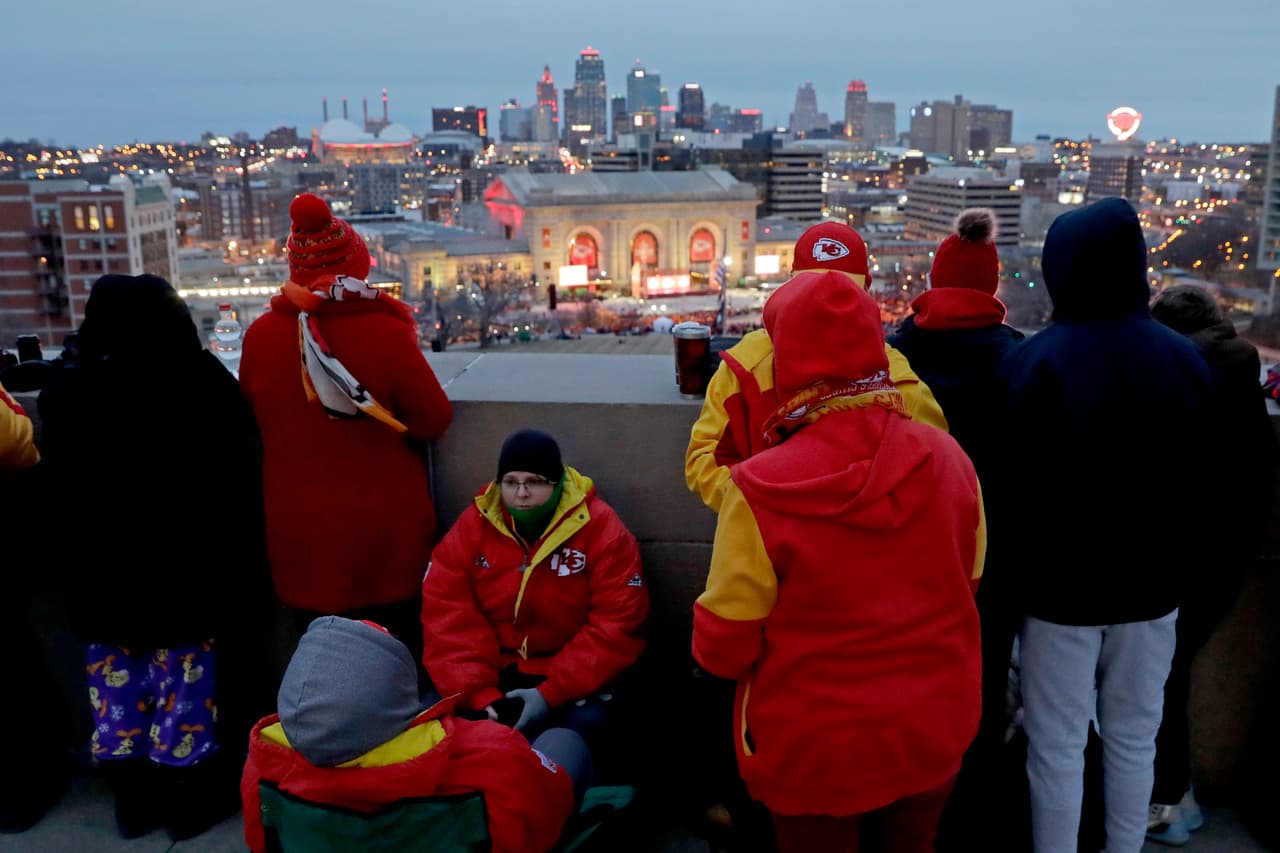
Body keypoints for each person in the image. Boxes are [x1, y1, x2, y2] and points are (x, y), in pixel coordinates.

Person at [692, 269, 983, 853]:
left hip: (812, 747)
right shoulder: (952, 459)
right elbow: (968, 581)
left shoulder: (757, 489)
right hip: (930, 726)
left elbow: (724, 647)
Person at [990, 199, 1219, 853]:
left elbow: (1008, 489)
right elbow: (1205, 480)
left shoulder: (1034, 363)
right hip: (1154, 589)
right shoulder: (1184, 360)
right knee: (1135, 738)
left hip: (1058, 594)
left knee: (1056, 745)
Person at [37, 274, 269, 840]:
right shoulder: (198, 384)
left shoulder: (67, 392)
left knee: (116, 698)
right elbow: (240, 473)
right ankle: (188, 804)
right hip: (182, 587)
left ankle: (133, 804)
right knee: (186, 699)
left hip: (101, 589)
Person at [240, 193, 452, 662]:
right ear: (356, 266)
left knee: (318, 674)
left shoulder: (260, 337)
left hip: (298, 537)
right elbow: (433, 418)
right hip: (384, 539)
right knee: (392, 667)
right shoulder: (384, 330)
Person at [886, 208, 1026, 849]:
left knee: (904, 683)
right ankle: (972, 818)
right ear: (992, 288)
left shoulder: (894, 354)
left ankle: (905, 812)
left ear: (933, 281)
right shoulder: (1020, 359)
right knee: (984, 683)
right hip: (991, 554)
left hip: (906, 547)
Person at [241, 616, 587, 853]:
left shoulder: (263, 769)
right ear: (396, 698)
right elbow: (539, 829)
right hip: (517, 778)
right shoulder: (490, 756)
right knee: (564, 741)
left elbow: (262, 843)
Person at [685, 220, 947, 513]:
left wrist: (766, 506)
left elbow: (705, 464)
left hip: (768, 538)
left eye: (840, 292)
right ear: (867, 289)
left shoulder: (746, 363)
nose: (822, 300)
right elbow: (937, 474)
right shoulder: (897, 379)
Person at [1146, 284, 1277, 844]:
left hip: (1182, 555)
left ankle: (1170, 801)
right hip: (1229, 554)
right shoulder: (1240, 374)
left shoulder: (1180, 377)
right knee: (1171, 672)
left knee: (1161, 677)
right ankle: (1179, 799)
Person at [421, 428, 648, 749]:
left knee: (585, 731)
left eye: (535, 482)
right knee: (436, 726)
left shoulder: (601, 529)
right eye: (511, 482)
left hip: (569, 678)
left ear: (557, 484)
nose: (521, 493)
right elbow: (446, 614)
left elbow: (618, 624)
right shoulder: (475, 525)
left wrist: (550, 694)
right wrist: (481, 695)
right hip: (492, 673)